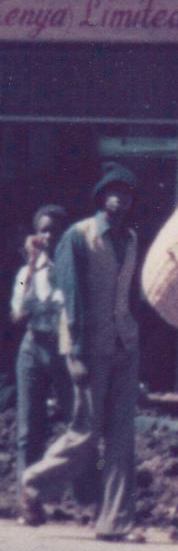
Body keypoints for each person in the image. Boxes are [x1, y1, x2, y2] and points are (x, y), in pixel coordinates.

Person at [19, 164, 143, 540]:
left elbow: (128, 293)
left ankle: (114, 522)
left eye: (125, 192)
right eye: (112, 192)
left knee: (121, 439)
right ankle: (34, 480)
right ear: (101, 198)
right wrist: (74, 352)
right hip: (89, 347)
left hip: (125, 343)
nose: (118, 198)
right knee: (86, 431)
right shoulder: (78, 237)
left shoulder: (132, 238)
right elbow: (71, 299)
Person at [11, 204, 71, 500]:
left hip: (63, 349)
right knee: (28, 428)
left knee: (76, 423)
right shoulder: (26, 272)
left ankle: (84, 494)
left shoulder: (72, 271)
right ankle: (28, 499)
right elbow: (18, 312)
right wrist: (32, 265)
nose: (50, 236)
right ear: (37, 235)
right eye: (44, 230)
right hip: (33, 347)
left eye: (55, 230)